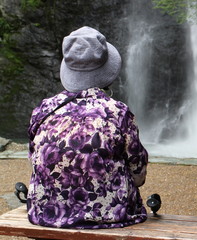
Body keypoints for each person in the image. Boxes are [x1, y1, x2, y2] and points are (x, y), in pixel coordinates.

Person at [26, 26, 148, 229]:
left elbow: (35, 162)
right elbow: (138, 174)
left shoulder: (43, 109)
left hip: (46, 213)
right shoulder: (118, 112)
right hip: (112, 215)